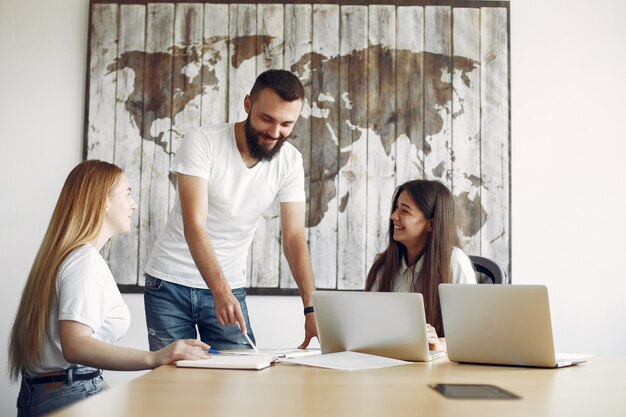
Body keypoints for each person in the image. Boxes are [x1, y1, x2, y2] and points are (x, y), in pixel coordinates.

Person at [8, 160, 210, 417]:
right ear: (103, 201)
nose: (133, 204)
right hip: (68, 394)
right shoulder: (84, 262)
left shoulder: (69, 257)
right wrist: (156, 357)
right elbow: (76, 345)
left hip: (55, 392)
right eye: (127, 193)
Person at [144, 69, 317, 351]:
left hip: (230, 286)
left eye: (287, 124)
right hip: (169, 284)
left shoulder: (290, 162)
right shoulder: (202, 141)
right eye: (267, 118)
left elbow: (295, 237)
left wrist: (311, 309)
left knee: (240, 385)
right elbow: (194, 225)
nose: (275, 132)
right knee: (171, 385)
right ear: (248, 105)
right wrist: (219, 291)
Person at [364, 179, 476, 352]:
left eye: (405, 211)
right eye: (396, 208)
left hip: (439, 369)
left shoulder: (455, 262)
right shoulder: (383, 264)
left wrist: (440, 344)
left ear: (430, 224)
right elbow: (368, 323)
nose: (393, 216)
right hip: (389, 363)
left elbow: (472, 335)